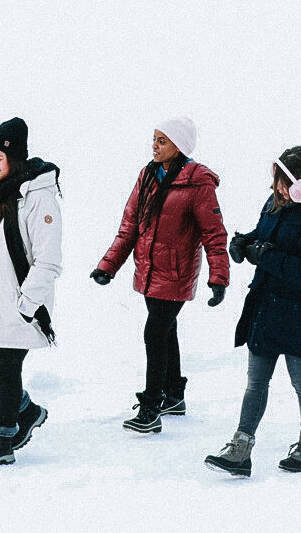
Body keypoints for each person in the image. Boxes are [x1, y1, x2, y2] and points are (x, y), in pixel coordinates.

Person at [206, 147, 301, 477]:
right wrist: (244, 243)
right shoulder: (274, 203)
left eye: (284, 182)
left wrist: (264, 256)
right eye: (277, 180)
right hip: (267, 306)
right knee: (256, 382)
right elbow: (263, 235)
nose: (277, 188)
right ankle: (240, 449)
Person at [90, 116, 230, 433]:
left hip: (177, 273)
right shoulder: (148, 175)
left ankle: (151, 408)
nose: (154, 145)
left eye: (162, 140)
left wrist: (218, 277)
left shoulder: (198, 182)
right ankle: (174, 396)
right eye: (154, 138)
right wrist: (108, 266)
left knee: (155, 333)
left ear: (179, 146)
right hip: (149, 270)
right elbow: (129, 225)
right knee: (166, 332)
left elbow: (213, 233)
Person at [0, 117, 63, 468]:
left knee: (6, 370)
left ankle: (3, 439)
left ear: (15, 158)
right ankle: (27, 411)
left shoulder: (39, 197)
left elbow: (48, 260)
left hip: (19, 301)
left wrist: (27, 304)